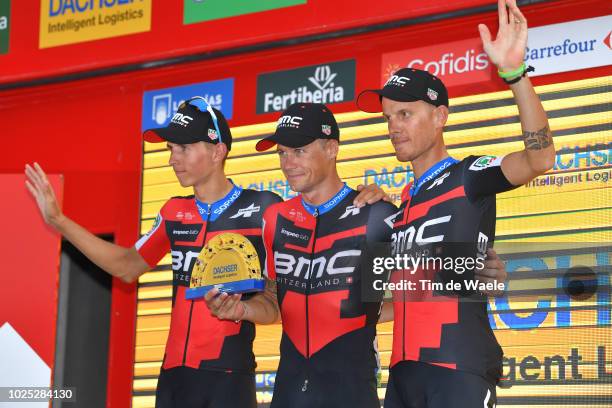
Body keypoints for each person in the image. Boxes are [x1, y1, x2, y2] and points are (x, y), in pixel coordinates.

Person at [25, 97, 387, 408]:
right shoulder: (173, 211)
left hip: (230, 377)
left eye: (183, 147)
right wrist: (58, 221)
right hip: (174, 377)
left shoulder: (264, 208)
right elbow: (126, 266)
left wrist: (372, 199)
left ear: (217, 151)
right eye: (170, 149)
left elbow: (289, 290)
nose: (173, 159)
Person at [205, 102, 508, 407]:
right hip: (288, 392)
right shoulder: (275, 219)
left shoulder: (376, 215)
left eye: (299, 151)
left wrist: (486, 276)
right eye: (282, 152)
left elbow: (429, 284)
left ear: (332, 148)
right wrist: (240, 311)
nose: (288, 163)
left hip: (352, 391)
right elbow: (276, 303)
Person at [356, 1, 555, 406]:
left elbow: (540, 159)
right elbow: (402, 303)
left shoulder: (469, 175)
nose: (394, 127)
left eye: (406, 114)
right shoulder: (401, 208)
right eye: (388, 118)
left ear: (441, 116)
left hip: (457, 368)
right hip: (402, 375)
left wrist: (515, 75)